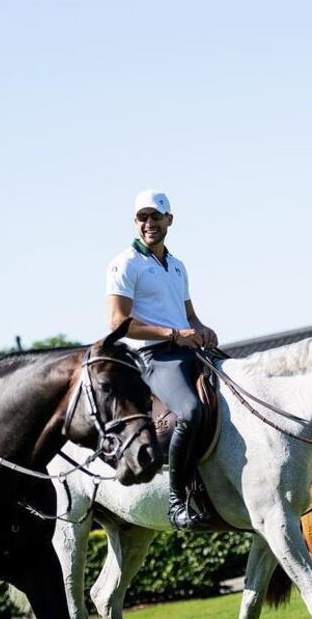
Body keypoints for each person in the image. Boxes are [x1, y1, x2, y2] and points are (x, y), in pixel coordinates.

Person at [106, 190, 218, 530]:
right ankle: (177, 500)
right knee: (191, 412)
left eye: (156, 216)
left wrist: (202, 329)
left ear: (170, 220)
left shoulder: (177, 266)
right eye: (143, 217)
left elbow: (189, 316)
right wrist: (173, 334)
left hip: (186, 350)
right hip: (153, 358)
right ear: (135, 222)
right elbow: (118, 323)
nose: (149, 223)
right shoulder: (124, 263)